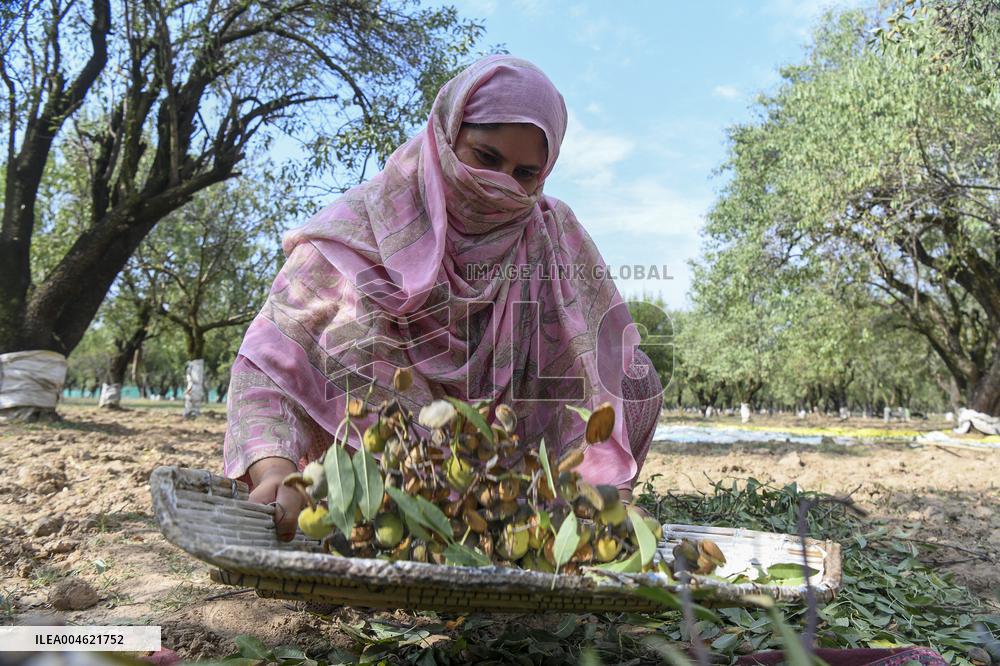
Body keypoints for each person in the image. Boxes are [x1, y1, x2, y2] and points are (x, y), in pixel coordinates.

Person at [223, 55, 664, 541]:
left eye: (524, 174)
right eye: (486, 158)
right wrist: (273, 470)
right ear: (447, 136)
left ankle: (535, 517)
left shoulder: (550, 232)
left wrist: (611, 497)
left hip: (509, 471)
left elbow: (594, 361)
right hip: (382, 465)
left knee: (636, 375)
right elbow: (271, 360)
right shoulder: (369, 222)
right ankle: (371, 513)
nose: (500, 186)